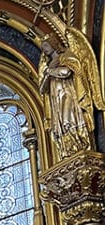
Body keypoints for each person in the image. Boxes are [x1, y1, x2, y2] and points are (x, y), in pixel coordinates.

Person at [39, 28, 105, 160]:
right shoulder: (48, 65)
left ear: (53, 43)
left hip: (67, 94)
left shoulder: (66, 56)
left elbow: (67, 72)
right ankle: (67, 149)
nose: (45, 49)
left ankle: (80, 144)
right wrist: (47, 73)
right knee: (60, 125)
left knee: (69, 119)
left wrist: (50, 72)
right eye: (43, 47)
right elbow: (42, 89)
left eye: (46, 45)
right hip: (55, 99)